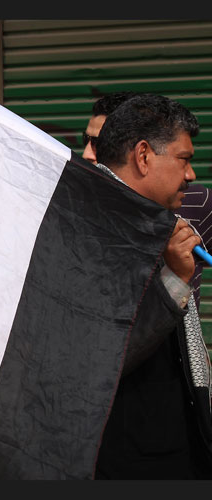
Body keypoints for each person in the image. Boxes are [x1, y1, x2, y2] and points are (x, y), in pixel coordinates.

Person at [91, 93, 212, 478]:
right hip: (127, 460)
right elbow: (104, 357)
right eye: (184, 159)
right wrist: (175, 279)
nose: (191, 174)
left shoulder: (157, 221)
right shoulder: (94, 229)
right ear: (143, 157)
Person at [82, 92, 212, 310]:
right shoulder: (80, 223)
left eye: (98, 142)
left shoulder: (193, 204)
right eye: (89, 141)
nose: (87, 153)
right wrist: (176, 279)